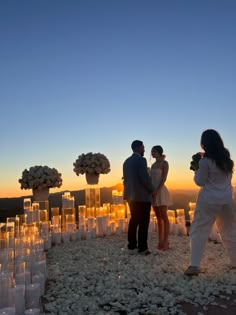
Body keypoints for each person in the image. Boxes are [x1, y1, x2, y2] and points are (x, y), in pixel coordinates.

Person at [184, 129, 236, 276]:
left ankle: (194, 265)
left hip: (209, 200)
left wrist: (196, 169)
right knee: (229, 230)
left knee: (199, 230)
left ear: (204, 143)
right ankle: (235, 261)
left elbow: (200, 181)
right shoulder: (227, 160)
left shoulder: (206, 161)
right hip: (227, 199)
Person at [123, 140, 154, 255]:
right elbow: (144, 178)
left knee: (134, 219)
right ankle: (143, 247)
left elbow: (126, 180)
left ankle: (131, 244)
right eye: (143, 147)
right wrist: (152, 189)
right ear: (139, 147)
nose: (144, 149)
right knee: (144, 222)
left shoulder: (126, 161)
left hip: (130, 196)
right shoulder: (142, 160)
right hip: (142, 196)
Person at [150, 145, 172, 251]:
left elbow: (164, 179)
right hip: (153, 191)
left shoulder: (164, 163)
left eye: (153, 151)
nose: (152, 153)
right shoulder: (153, 165)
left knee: (164, 216)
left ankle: (166, 241)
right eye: (151, 151)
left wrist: (157, 191)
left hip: (161, 191)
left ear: (159, 152)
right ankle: (160, 240)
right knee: (158, 217)